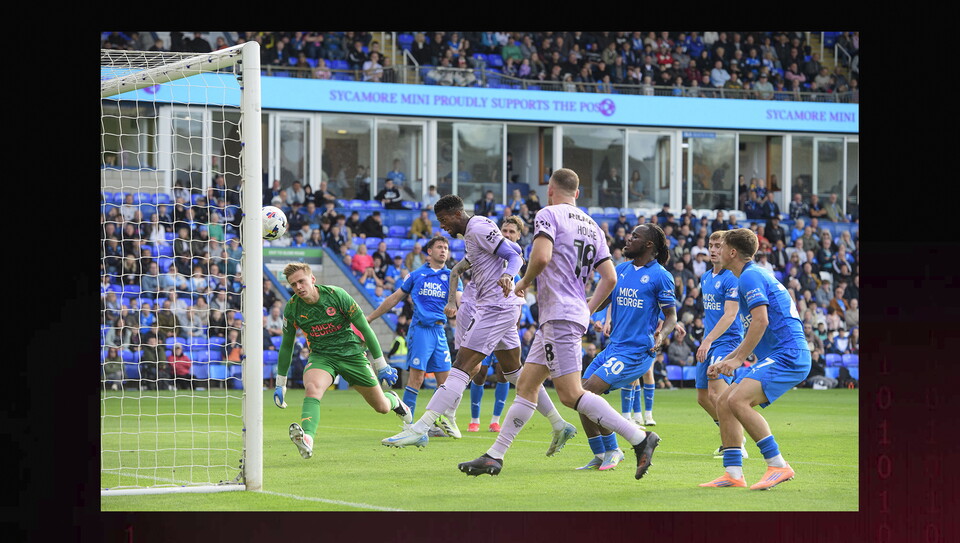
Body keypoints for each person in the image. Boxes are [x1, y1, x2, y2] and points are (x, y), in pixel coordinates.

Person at [458, 168, 661, 481]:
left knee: (570, 394)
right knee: (526, 385)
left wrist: (522, 282)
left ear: (550, 190)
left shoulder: (548, 213)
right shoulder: (593, 226)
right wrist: (587, 308)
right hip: (567, 313)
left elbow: (541, 256)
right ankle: (494, 456)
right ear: (577, 193)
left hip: (559, 314)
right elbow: (610, 278)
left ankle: (638, 437)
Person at [382, 193, 574, 453]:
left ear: (456, 214)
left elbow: (515, 256)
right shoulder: (473, 233)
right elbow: (506, 252)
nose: (442, 226)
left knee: (461, 366)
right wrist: (458, 271)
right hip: (501, 307)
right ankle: (559, 424)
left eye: (443, 220)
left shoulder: (479, 227)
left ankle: (421, 428)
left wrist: (508, 275)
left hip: (496, 306)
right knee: (515, 373)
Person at [700, 228, 810, 490]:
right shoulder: (748, 277)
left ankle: (778, 464)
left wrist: (738, 360)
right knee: (724, 402)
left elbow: (761, 321)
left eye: (722, 246)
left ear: (733, 252)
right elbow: (754, 328)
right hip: (778, 354)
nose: (716, 250)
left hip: (789, 354)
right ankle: (733, 473)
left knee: (738, 400)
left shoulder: (750, 277)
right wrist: (729, 358)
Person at [273, 262, 412, 460]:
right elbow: (286, 345)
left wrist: (381, 365)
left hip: (352, 354)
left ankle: (395, 401)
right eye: (293, 285)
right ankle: (308, 438)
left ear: (312, 279)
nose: (298, 287)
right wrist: (281, 382)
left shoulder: (337, 295)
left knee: (381, 407)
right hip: (322, 357)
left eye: (301, 282)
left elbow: (365, 328)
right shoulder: (292, 308)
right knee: (312, 388)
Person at [366, 235, 462, 432]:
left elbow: (462, 301)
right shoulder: (416, 275)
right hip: (421, 331)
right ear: (429, 252)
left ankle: (435, 424)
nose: (443, 250)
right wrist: (370, 318)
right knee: (416, 379)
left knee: (445, 383)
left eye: (446, 247)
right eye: (439, 247)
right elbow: (394, 298)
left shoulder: (452, 276)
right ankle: (408, 426)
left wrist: (460, 310)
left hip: (440, 331)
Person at [468, 216, 526, 433]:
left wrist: (517, 323)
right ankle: (474, 419)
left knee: (506, 372)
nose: (508, 235)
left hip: (505, 319)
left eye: (512, 232)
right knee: (479, 371)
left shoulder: (514, 258)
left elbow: (520, 294)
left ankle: (495, 419)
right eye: (505, 231)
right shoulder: (489, 249)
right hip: (485, 315)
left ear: (518, 235)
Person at [694, 231, 749, 459]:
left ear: (727, 249)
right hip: (710, 340)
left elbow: (730, 314)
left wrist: (707, 340)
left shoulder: (731, 278)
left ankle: (736, 444)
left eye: (719, 245)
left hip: (727, 341)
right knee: (703, 397)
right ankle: (732, 434)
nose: (714, 249)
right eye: (711, 245)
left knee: (717, 391)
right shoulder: (706, 277)